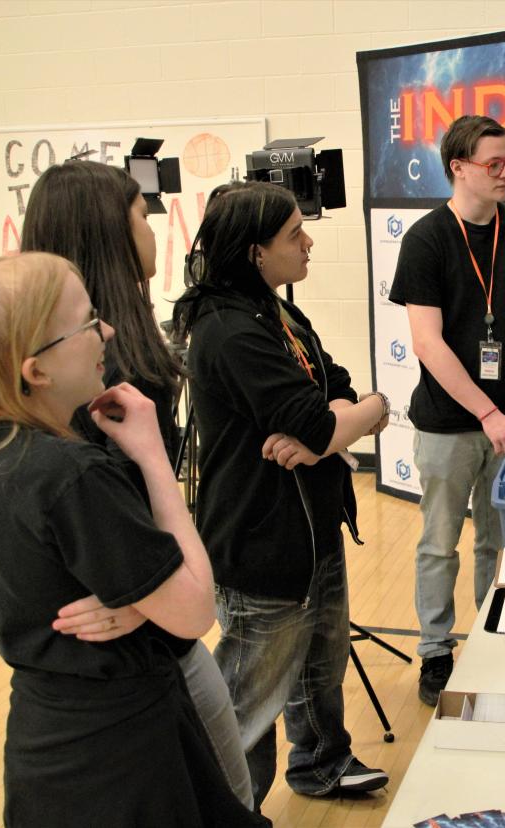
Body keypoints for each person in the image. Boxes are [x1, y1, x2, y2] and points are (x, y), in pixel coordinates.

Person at [0, 252, 265, 827]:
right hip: (121, 751)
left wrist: (134, 599)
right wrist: (154, 457)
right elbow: (192, 610)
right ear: (36, 370)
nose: (107, 331)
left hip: (47, 740)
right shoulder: (69, 474)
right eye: (88, 323)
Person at [20, 160, 253, 809]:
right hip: (142, 648)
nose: (155, 232)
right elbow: (89, 516)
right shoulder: (90, 381)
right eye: (143, 217)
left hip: (154, 622)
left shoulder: (119, 348)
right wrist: (138, 595)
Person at [171, 182, 391, 807]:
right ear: (255, 252)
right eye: (295, 233)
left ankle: (323, 762)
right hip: (262, 540)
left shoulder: (275, 311)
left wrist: (344, 420)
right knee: (249, 700)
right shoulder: (228, 330)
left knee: (320, 665)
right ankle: (231, 810)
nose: (309, 241)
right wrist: (357, 416)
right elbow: (323, 420)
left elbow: (335, 389)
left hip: (312, 529)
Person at [388, 114, 505, 705]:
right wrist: (488, 412)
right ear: (459, 167)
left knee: (498, 541)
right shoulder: (427, 239)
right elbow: (428, 342)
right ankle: (436, 651)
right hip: (451, 422)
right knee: (439, 543)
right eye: (494, 163)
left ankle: (491, 639)